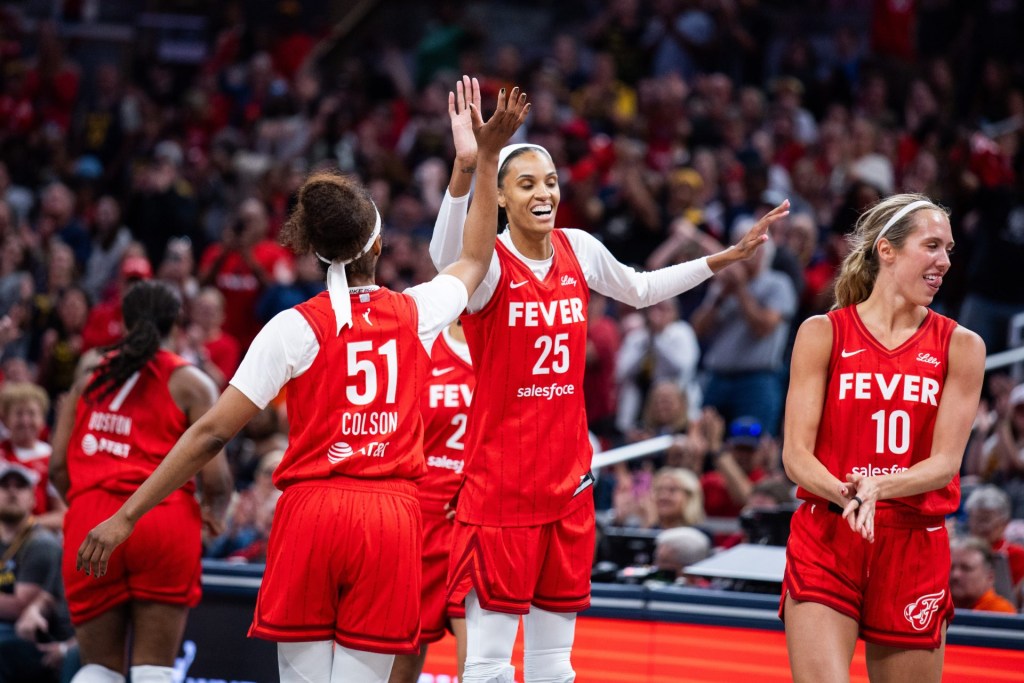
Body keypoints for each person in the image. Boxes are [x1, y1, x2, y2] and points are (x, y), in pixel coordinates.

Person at [73, 83, 529, 683]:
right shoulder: (417, 311)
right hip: (390, 519)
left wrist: (127, 516)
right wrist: (478, 161)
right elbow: (473, 259)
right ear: (379, 242)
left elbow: (210, 434)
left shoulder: (292, 327)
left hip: (311, 514)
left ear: (312, 249)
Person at [430, 75, 788, 683]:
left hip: (567, 485)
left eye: (550, 181)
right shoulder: (488, 266)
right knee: (487, 663)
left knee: (554, 665)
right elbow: (446, 261)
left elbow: (642, 290)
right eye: (526, 184)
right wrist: (473, 163)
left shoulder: (579, 248)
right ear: (502, 197)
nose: (544, 192)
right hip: (501, 489)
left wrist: (722, 258)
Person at [781, 193, 986, 682]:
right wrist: (845, 493)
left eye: (950, 250)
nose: (945, 262)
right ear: (886, 250)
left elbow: (944, 465)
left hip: (914, 543)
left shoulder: (962, 346)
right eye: (932, 246)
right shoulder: (823, 332)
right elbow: (795, 454)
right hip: (829, 532)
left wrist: (879, 486)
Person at [49, 280, 234, 683]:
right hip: (163, 521)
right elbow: (216, 476)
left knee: (97, 669)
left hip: (92, 523)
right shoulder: (193, 382)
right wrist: (211, 513)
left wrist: (86, 504)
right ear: (177, 323)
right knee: (154, 669)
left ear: (123, 322)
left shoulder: (88, 377)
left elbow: (57, 469)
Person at [390, 319, 474, 683]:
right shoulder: (424, 344)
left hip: (475, 522)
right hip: (419, 520)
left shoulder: (508, 346)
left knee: (478, 665)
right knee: (402, 665)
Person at [0, 462, 75, 683]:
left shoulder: (41, 542)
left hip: (42, 639)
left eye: (20, 486)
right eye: (4, 486)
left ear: (34, 499)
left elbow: (20, 606)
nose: (12, 492)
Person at [949, 536, 1017, 614]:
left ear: (989, 577)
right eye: (950, 568)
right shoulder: (937, 607)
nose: (955, 575)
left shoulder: (1000, 613)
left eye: (966, 568)